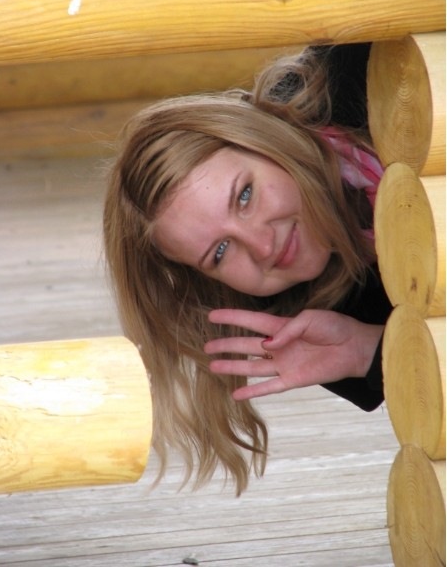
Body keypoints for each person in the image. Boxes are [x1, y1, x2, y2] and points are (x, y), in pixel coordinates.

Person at [103, 45, 393, 495]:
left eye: (244, 195)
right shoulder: (297, 314)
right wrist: (370, 350)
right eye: (220, 252)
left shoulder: (359, 66)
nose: (262, 247)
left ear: (263, 140)